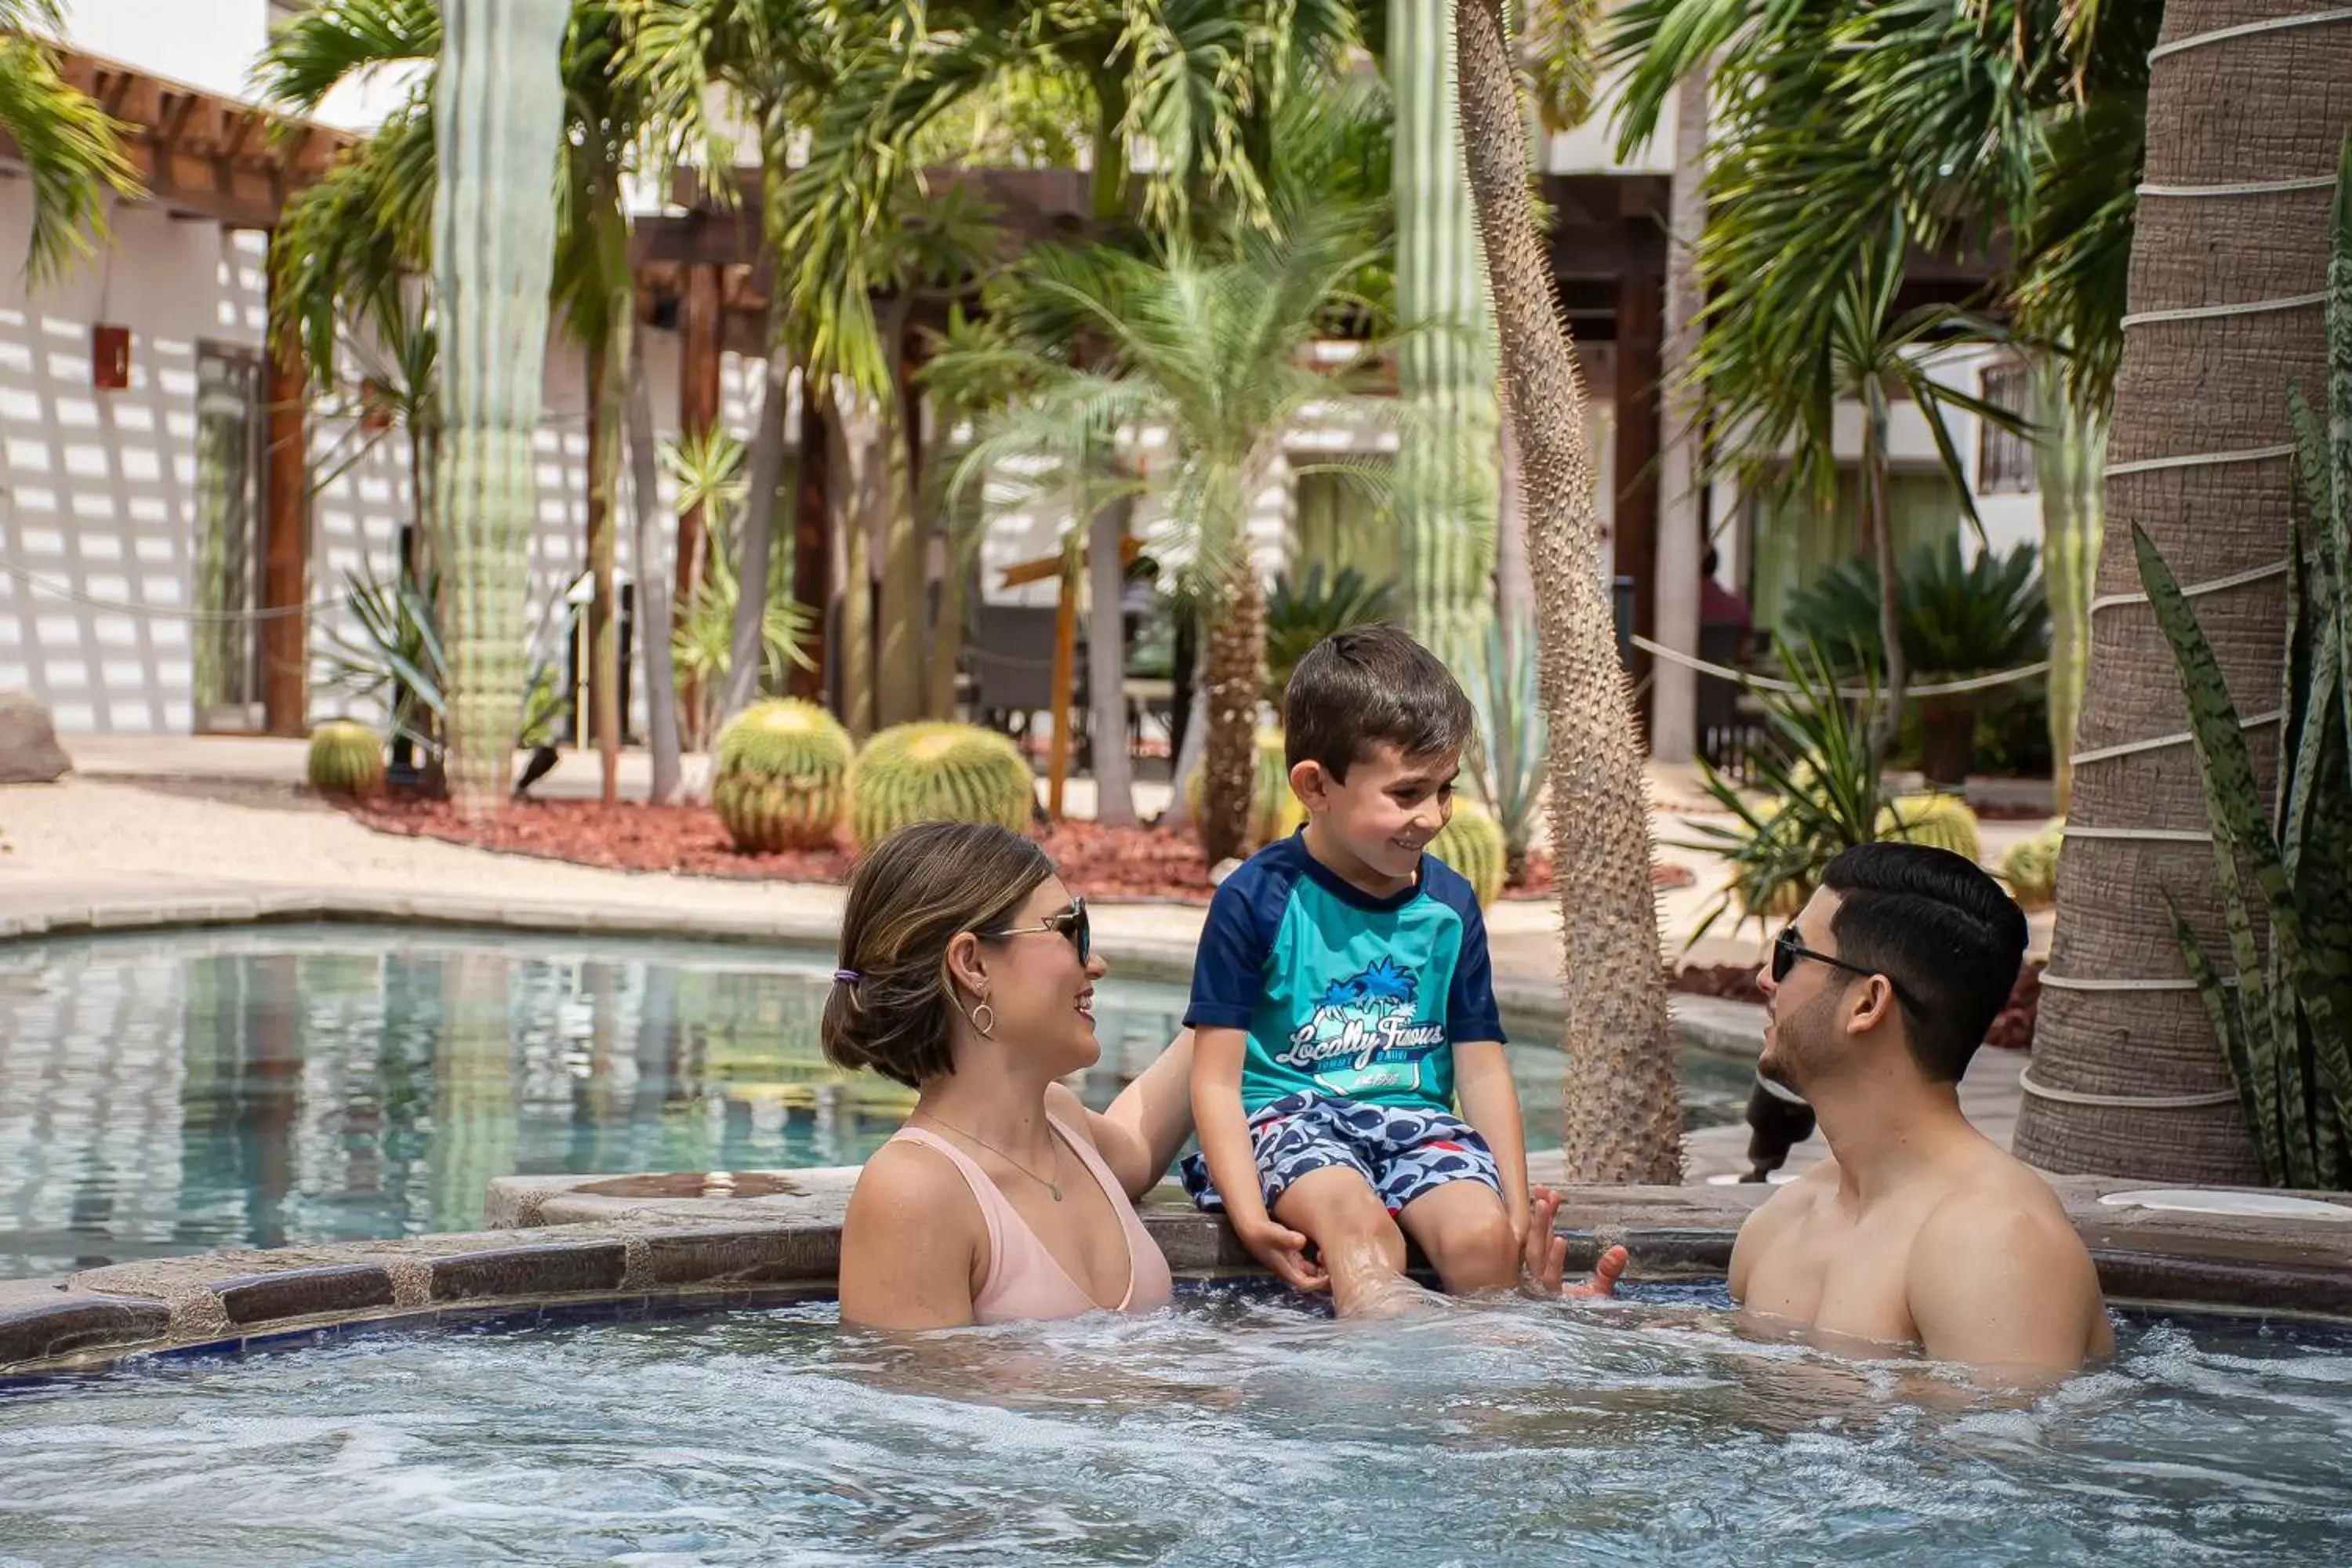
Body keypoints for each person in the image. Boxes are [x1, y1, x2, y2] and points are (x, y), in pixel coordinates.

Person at [1182, 625, 1526, 1316]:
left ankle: (1485, 1410)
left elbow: (1482, 1068)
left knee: (1482, 1242)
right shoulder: (1258, 899)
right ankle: (1374, 1411)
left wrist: (1514, 1217)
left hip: (1416, 1124)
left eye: (1445, 789)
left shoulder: (1449, 907)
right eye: (1406, 794)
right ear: (1316, 785)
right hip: (1291, 1121)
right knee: (1362, 1236)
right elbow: (1216, 1080)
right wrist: (1249, 1216)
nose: (1432, 817)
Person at [1726, 842, 2111, 1376]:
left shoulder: (1993, 1243)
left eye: (1789, 950)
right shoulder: (1782, 1222)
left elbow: (2009, 1458)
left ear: (1867, 1003)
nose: (1766, 978)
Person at [823, 820, 1194, 1329]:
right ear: (973, 964)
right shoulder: (914, 1192)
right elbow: (918, 1406)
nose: (1098, 963)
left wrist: (1236, 989)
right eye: (1071, 930)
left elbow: (1139, 1144)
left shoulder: (1061, 1122)